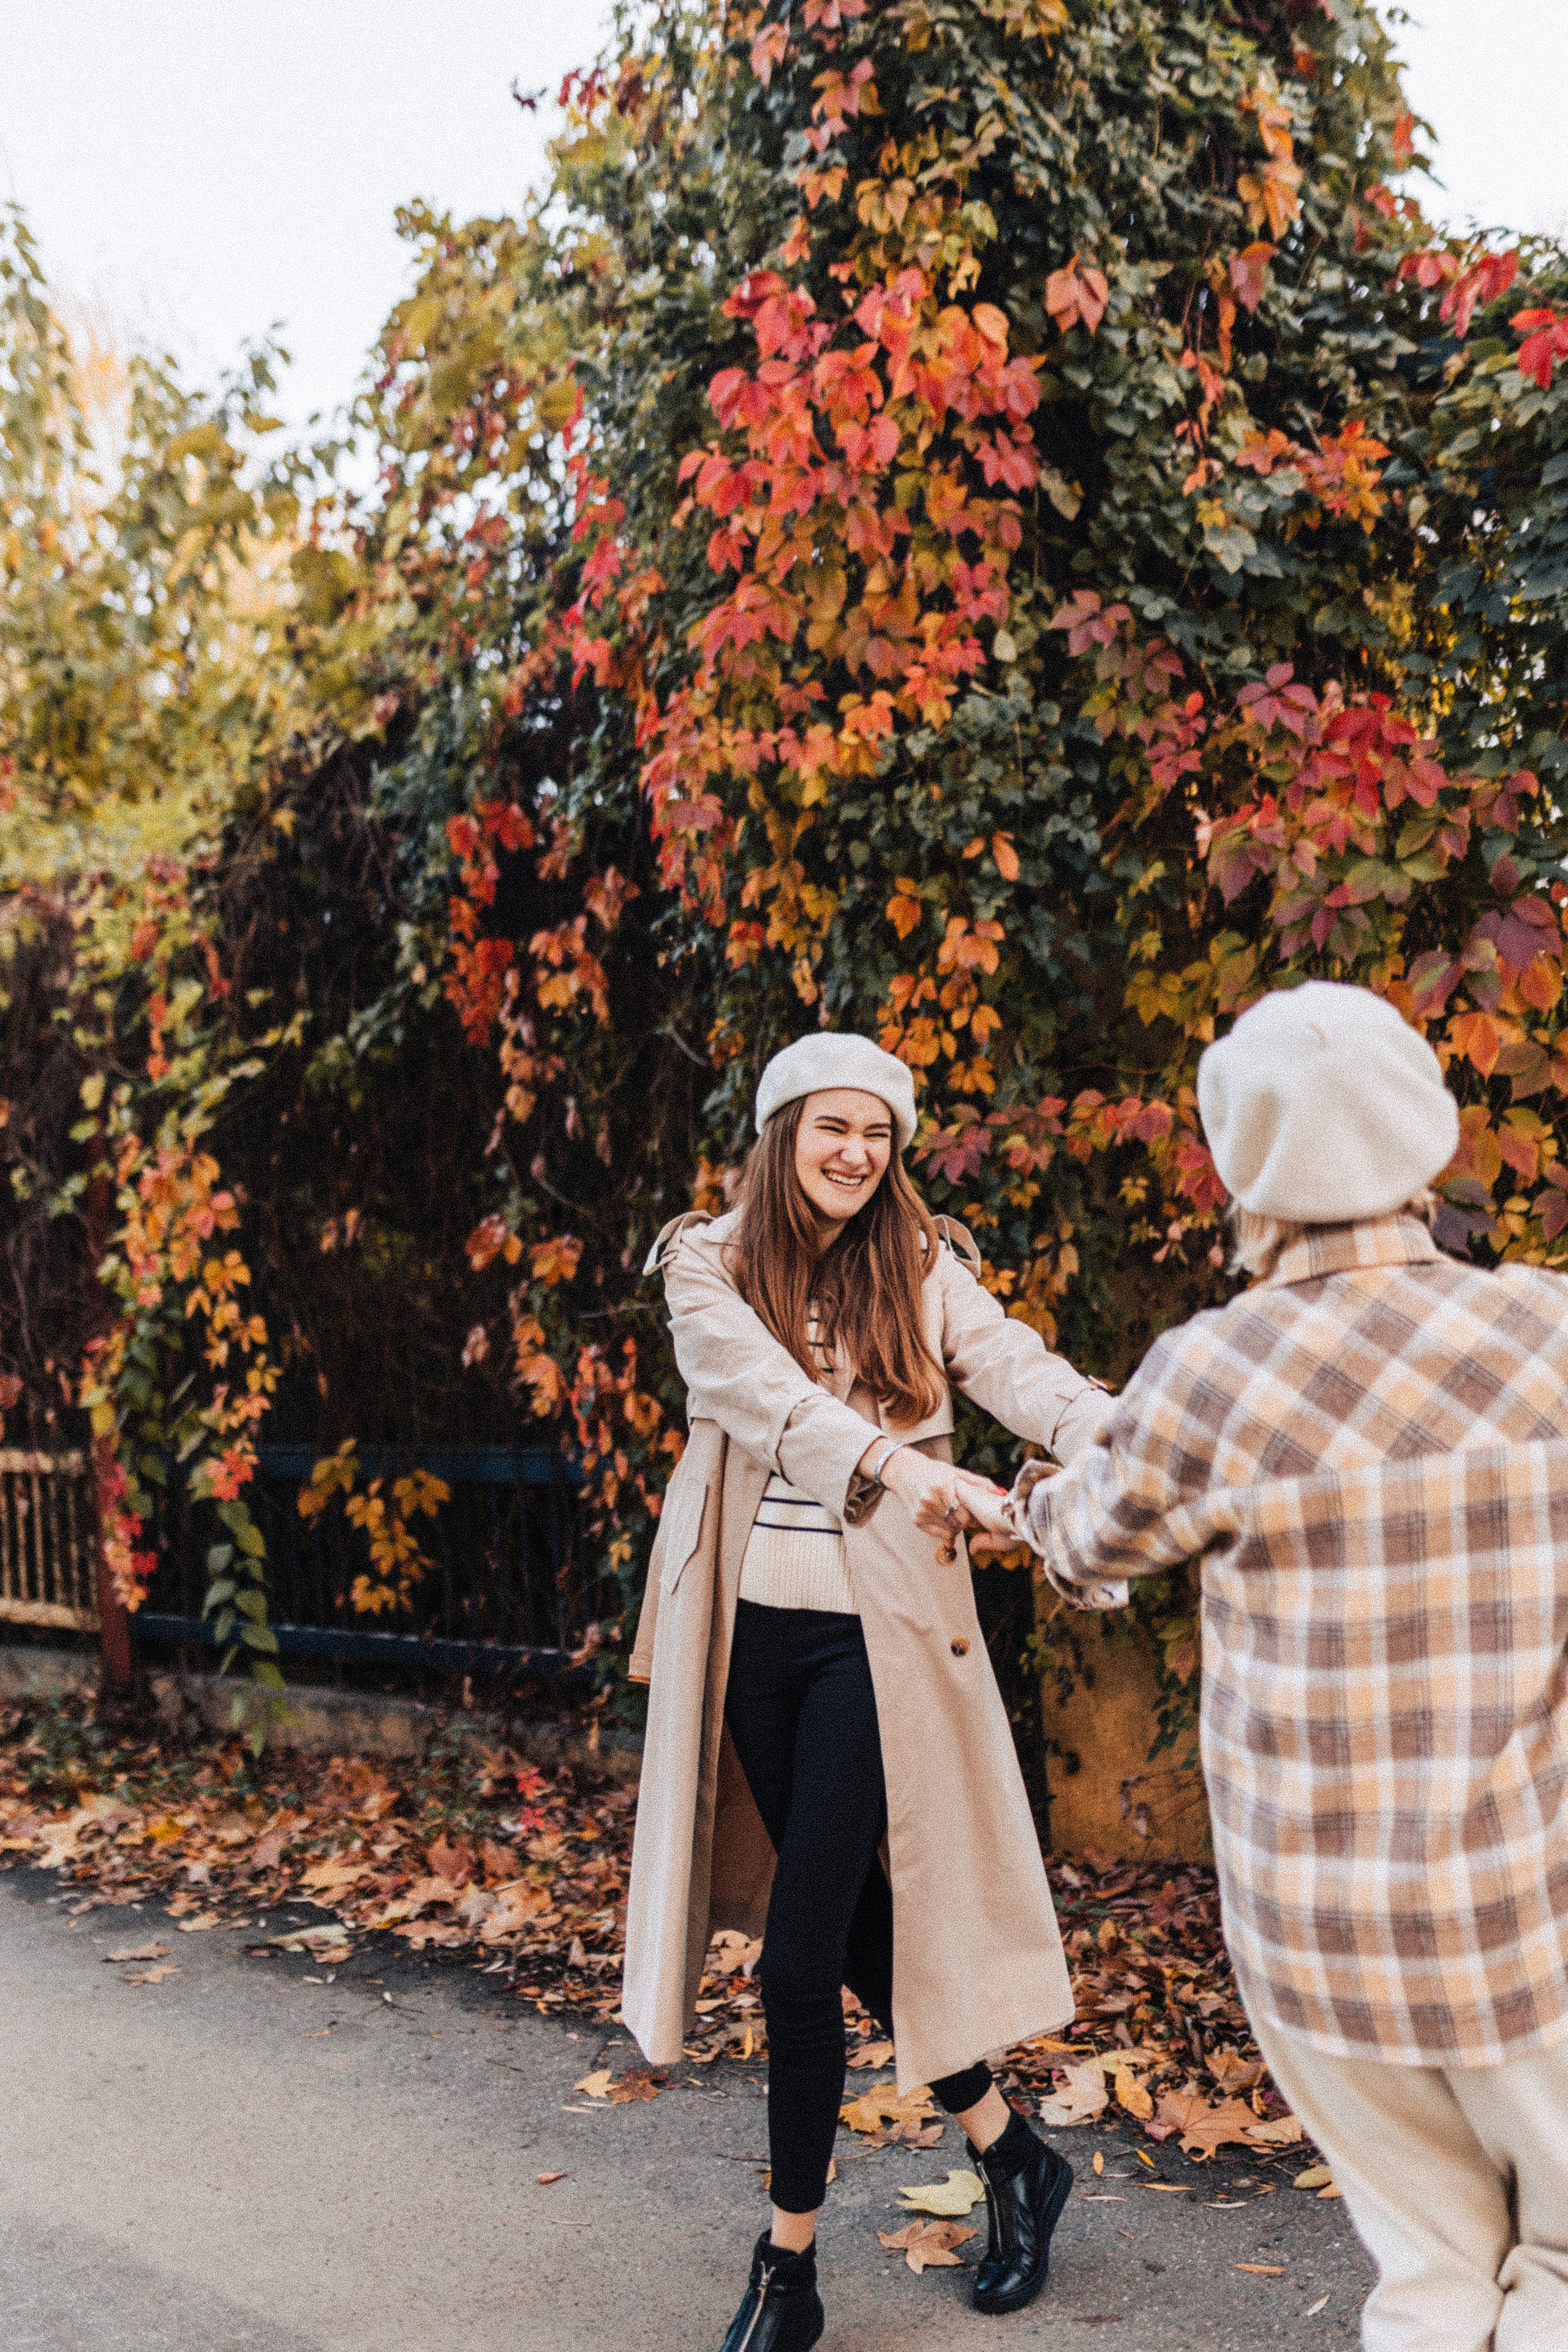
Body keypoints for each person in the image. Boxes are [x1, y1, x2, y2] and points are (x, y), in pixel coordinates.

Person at [945, 981, 1568, 2352]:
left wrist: (1034, 1502)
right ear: (1424, 1131)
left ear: (1243, 1166)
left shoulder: (1210, 1373)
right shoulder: (1549, 1336)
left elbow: (1092, 1535)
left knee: (1421, 2267)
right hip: (1530, 1911)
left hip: (1317, 1934)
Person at [622, 1031, 1118, 2352]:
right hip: (753, 1638)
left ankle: (786, 2270)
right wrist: (909, 1472)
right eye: (829, 1127)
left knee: (794, 1962)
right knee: (845, 1933)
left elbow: (1008, 1360)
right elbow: (769, 1402)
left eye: (876, 1134)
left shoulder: (917, 1265)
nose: (854, 1153)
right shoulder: (704, 1262)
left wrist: (1106, 1437)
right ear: (781, 1131)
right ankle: (1012, 2156)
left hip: (874, 1643)